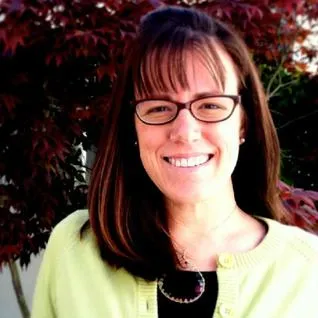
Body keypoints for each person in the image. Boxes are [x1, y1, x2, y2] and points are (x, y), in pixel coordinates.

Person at [31, 5, 318, 318]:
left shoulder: (307, 268)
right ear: (133, 127)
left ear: (244, 123)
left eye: (210, 105)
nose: (184, 132)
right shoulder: (74, 247)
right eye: (158, 108)